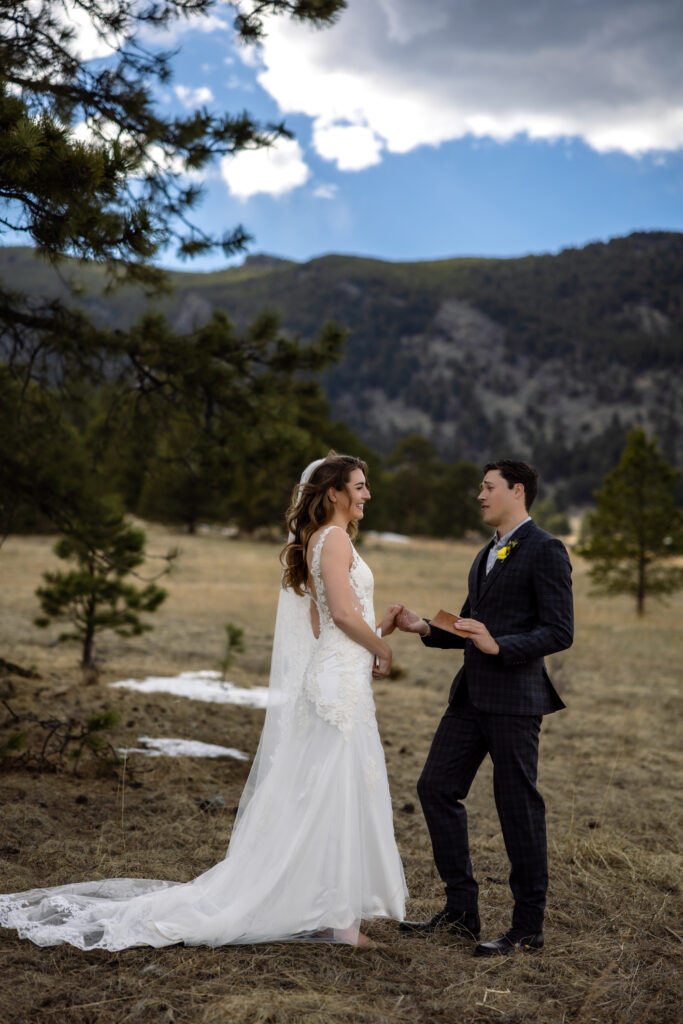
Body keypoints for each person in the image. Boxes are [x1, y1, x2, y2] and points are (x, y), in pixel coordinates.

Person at [0, 454, 407, 950]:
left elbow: (326, 624)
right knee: (327, 793)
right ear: (335, 492)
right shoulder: (336, 538)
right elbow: (341, 615)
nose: (367, 495)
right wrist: (381, 646)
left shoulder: (320, 540)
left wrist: (378, 626)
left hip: (336, 677)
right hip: (338, 686)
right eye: (360, 486)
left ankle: (330, 912)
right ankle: (338, 922)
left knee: (321, 792)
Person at [394, 460, 573, 956]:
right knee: (435, 788)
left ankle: (528, 927)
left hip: (516, 702)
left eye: (488, 487)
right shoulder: (485, 554)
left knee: (517, 807)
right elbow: (470, 625)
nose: (480, 495)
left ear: (517, 491)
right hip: (470, 698)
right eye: (480, 487)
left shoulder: (547, 549)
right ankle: (461, 912)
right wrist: (425, 626)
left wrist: (501, 646)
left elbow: (560, 630)